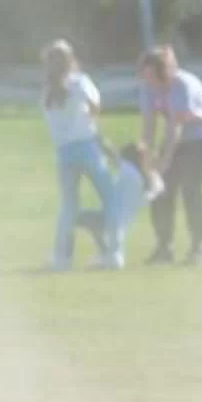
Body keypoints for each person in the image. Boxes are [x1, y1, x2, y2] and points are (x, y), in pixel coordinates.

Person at [40, 40, 132, 270]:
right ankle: (114, 253)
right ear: (71, 60)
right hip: (87, 147)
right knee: (111, 198)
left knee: (69, 206)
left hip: (64, 153)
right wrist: (91, 122)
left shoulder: (47, 93)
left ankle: (62, 257)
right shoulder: (80, 82)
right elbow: (96, 106)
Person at [137, 44, 202, 265]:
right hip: (180, 138)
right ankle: (164, 248)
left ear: (163, 72)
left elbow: (174, 127)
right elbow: (149, 126)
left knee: (191, 187)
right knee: (160, 189)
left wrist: (165, 160)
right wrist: (146, 160)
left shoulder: (182, 84)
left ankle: (199, 248)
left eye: (150, 76)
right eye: (144, 75)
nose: (147, 81)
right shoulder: (148, 88)